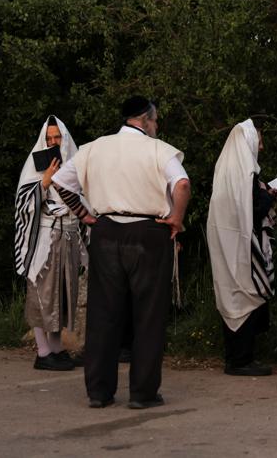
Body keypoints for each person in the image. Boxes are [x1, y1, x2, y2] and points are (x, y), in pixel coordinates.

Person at [52, 96, 190, 409]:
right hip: (148, 233)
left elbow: (60, 182)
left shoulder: (94, 148)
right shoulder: (158, 150)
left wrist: (84, 214)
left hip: (106, 232)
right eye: (155, 120)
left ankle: (99, 392)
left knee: (103, 314)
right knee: (148, 315)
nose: (157, 126)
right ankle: (143, 393)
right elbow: (182, 185)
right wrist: (176, 219)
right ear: (145, 119)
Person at [14, 116, 88, 371]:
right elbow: (22, 204)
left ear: (64, 139)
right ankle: (42, 351)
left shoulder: (75, 163)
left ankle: (56, 348)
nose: (54, 142)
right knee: (42, 293)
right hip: (46, 238)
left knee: (62, 293)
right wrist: (44, 182)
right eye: (49, 138)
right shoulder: (34, 167)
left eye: (58, 137)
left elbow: (86, 199)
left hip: (69, 236)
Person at [206, 118, 277, 376]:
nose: (261, 147)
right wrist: (269, 197)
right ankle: (241, 360)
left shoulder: (226, 172)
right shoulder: (245, 175)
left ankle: (235, 356)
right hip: (242, 246)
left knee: (234, 295)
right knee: (246, 294)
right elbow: (252, 211)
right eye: (259, 141)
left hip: (227, 245)